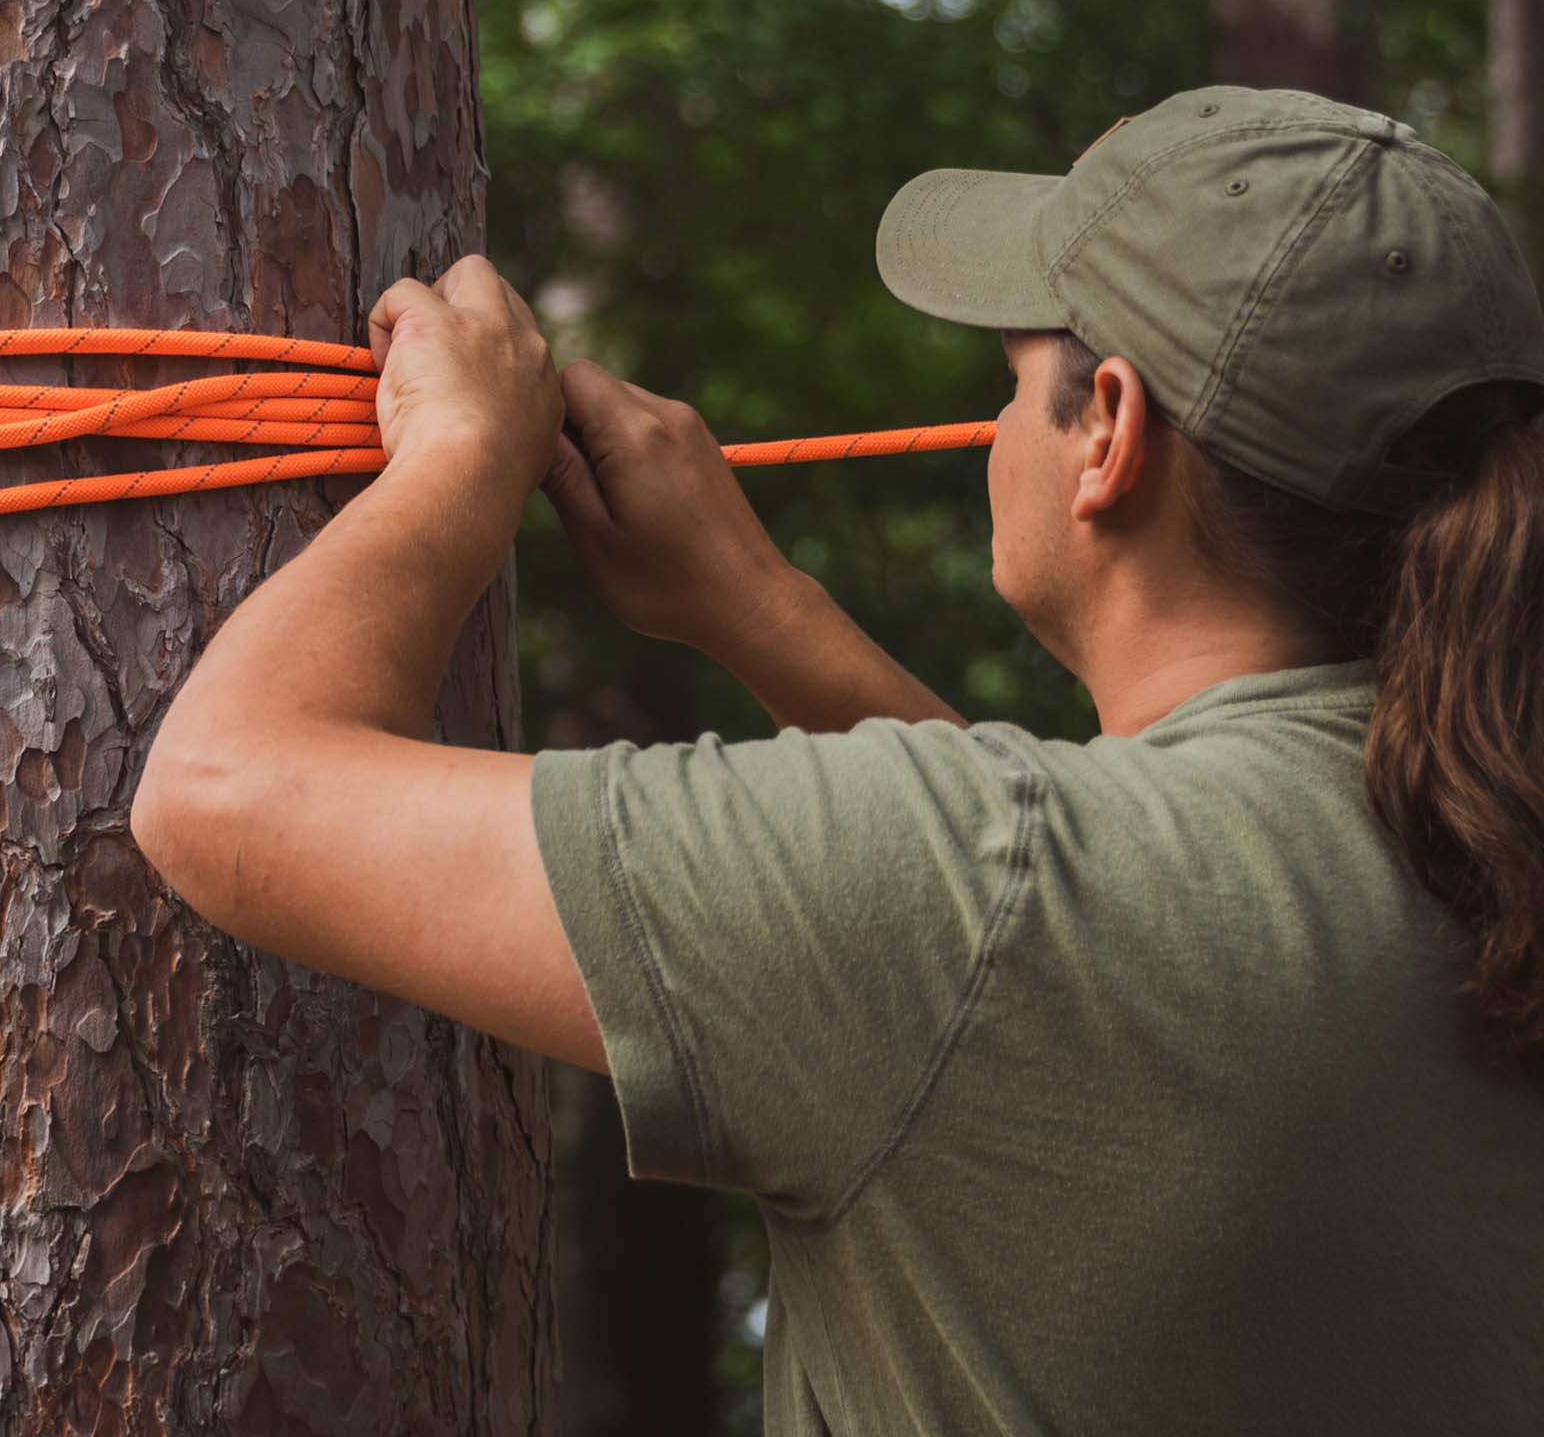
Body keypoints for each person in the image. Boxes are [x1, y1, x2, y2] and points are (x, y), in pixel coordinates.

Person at [129, 84, 1544, 1435]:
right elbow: (1046, 963)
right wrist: (760, 611)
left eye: (1013, 377)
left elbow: (225, 788)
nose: (1000, 419)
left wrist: (458, 460)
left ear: (1106, 431)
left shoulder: (1002, 912)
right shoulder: (1474, 847)